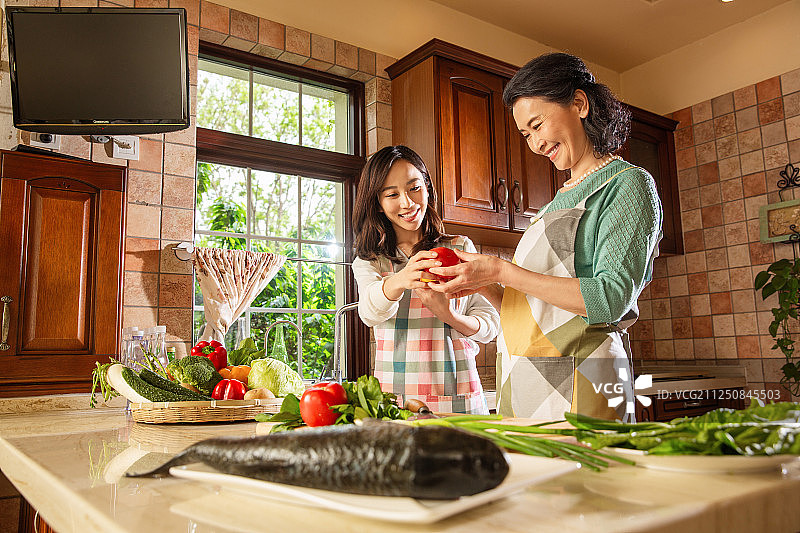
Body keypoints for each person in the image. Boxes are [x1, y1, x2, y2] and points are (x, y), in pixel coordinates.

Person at [427, 53, 662, 421]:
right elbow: (532, 312)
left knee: (586, 479)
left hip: (587, 377)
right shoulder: (553, 204)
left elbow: (610, 299)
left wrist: (502, 271)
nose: (534, 144)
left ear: (579, 104)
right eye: (526, 134)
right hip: (523, 381)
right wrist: (485, 283)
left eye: (537, 125)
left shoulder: (627, 184)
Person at [351, 145, 500, 415]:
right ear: (379, 204)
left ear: (427, 188)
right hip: (396, 404)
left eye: (414, 188)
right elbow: (370, 313)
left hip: (458, 398)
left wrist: (449, 316)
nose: (407, 203)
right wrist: (400, 279)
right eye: (392, 194)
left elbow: (491, 326)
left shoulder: (459, 247)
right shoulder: (370, 260)